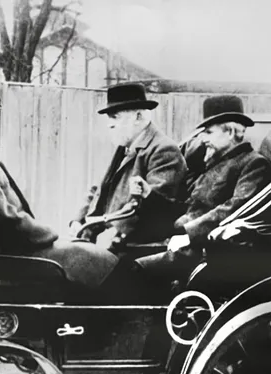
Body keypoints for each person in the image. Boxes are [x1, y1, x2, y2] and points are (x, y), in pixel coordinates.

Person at [0, 77, 145, 300]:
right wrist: (50, 236)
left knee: (84, 253)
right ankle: (130, 322)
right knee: (90, 257)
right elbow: (2, 220)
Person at [137, 95, 271, 281]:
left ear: (231, 132)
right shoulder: (215, 163)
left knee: (133, 272)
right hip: (187, 243)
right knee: (123, 259)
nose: (202, 139)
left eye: (208, 132)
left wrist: (190, 235)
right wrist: (150, 195)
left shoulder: (254, 164)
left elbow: (237, 208)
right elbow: (190, 208)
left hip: (212, 251)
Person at [69, 83, 187, 250]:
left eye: (114, 117)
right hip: (104, 241)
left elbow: (150, 207)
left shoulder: (163, 150)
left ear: (138, 117)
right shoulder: (124, 148)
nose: (109, 124)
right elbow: (98, 189)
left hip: (133, 247)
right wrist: (78, 220)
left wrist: (114, 232)